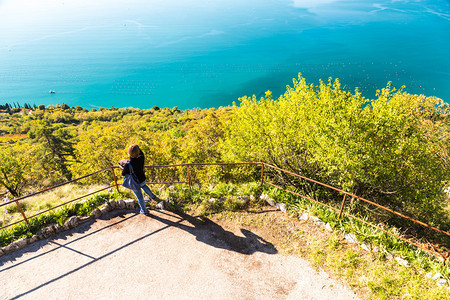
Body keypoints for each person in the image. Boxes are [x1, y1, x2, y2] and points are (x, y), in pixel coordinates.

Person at [120, 144, 158, 215]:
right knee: (144, 186)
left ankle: (144, 210)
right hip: (142, 179)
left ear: (129, 153)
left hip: (135, 183)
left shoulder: (128, 165)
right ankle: (153, 197)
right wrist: (136, 147)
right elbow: (141, 153)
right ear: (138, 152)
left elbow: (123, 173)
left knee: (140, 197)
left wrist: (125, 167)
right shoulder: (141, 158)